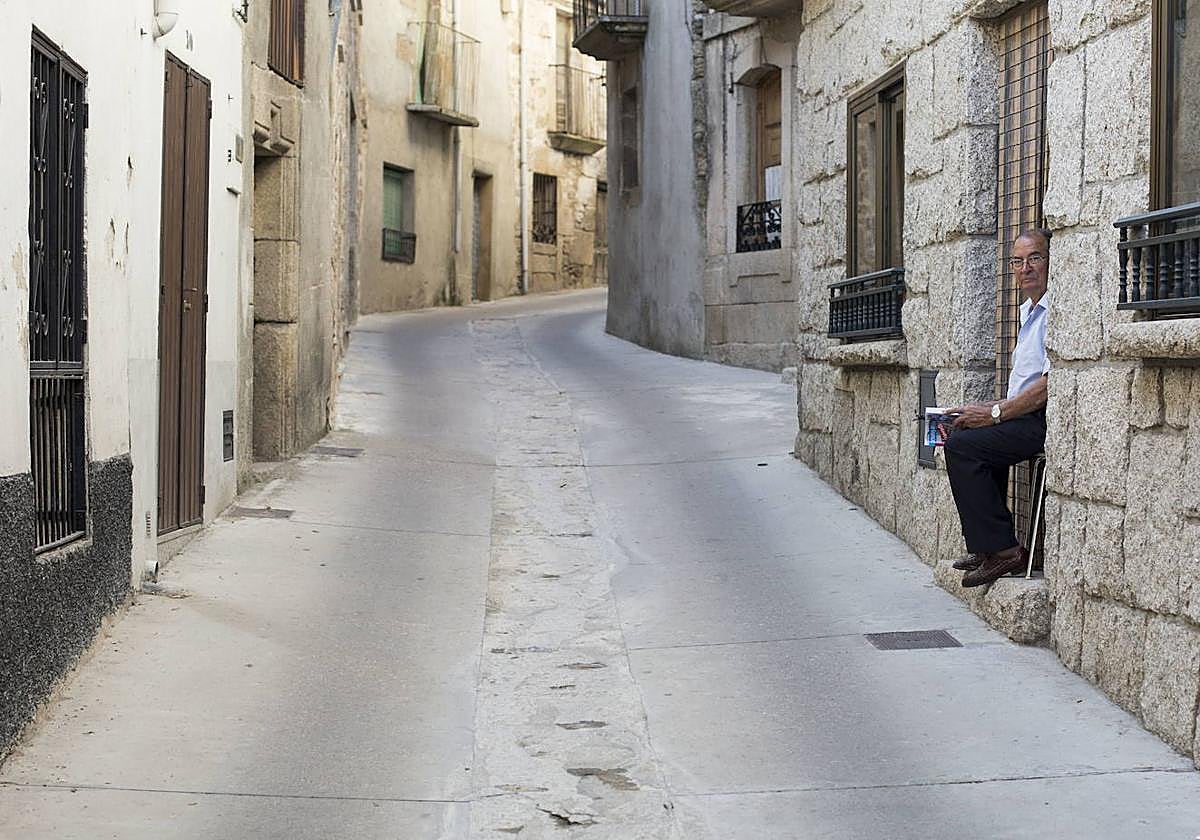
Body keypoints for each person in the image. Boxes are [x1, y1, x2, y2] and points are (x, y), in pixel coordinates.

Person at [943, 228, 1051, 587]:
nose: (1026, 268)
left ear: (1050, 261)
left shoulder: (1054, 313)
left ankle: (1006, 552)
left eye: (1034, 258)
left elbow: (1045, 388)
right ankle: (987, 548)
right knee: (965, 432)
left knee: (962, 448)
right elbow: (1022, 387)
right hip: (1021, 415)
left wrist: (994, 414)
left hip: (1041, 421)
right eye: (1017, 261)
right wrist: (984, 411)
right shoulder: (1028, 313)